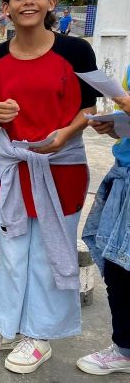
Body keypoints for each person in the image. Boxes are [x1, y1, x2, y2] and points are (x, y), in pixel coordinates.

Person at [0, 0, 100, 374]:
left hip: (61, 166)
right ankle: (7, 327)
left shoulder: (76, 52)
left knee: (47, 254)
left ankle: (39, 337)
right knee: (13, 252)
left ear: (51, 4)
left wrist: (64, 134)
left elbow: (89, 108)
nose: (28, 2)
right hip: (15, 166)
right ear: (5, 8)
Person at [77, 63, 130, 375]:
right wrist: (115, 126)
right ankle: (124, 347)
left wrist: (126, 104)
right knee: (115, 264)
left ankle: (124, 349)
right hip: (123, 172)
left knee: (121, 267)